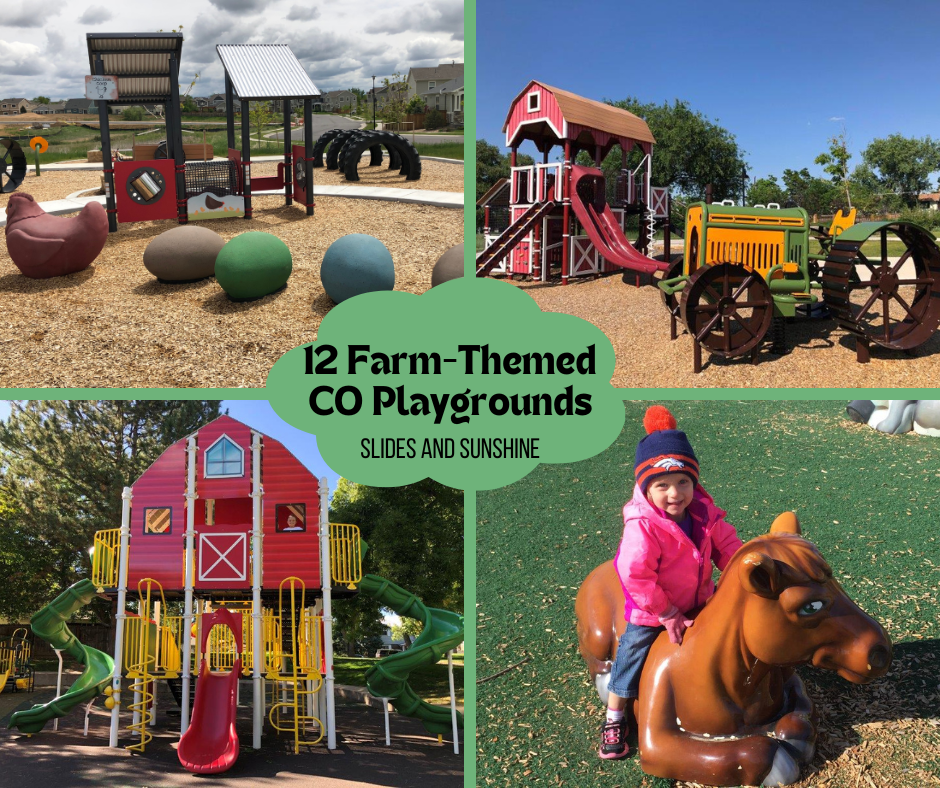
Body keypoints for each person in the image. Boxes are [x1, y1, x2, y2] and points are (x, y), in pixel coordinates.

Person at [599, 405, 744, 759]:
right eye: (661, 485)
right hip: (653, 610)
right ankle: (614, 715)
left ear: (694, 483)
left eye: (683, 482)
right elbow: (635, 573)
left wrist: (741, 571)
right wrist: (667, 612)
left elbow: (726, 546)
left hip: (700, 599)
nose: (674, 493)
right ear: (646, 488)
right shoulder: (642, 526)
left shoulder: (704, 514)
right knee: (632, 651)